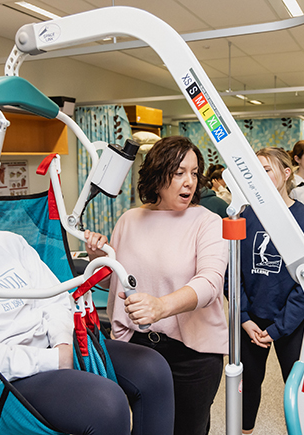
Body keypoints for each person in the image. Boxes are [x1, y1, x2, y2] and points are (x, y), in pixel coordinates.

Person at [0, 153, 174, 435]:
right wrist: (52, 361)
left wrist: (62, 345)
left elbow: (55, 298)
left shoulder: (9, 242)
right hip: (15, 377)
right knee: (106, 403)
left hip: (60, 347)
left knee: (153, 369)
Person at [85, 136, 229, 435]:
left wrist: (162, 306)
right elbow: (118, 281)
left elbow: (210, 282)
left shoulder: (207, 221)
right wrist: (99, 257)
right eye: (179, 173)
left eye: (193, 172)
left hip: (192, 355)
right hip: (138, 350)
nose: (189, 182)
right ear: (157, 175)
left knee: (188, 429)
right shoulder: (129, 220)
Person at [238, 147, 304, 435]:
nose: (259, 176)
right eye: (255, 170)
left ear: (286, 173)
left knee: (298, 389)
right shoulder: (245, 215)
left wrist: (280, 327)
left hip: (292, 319)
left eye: (265, 169)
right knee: (247, 386)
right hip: (251, 320)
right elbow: (233, 271)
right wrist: (243, 317)